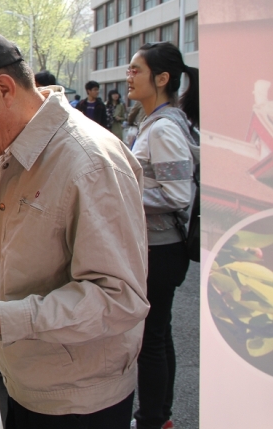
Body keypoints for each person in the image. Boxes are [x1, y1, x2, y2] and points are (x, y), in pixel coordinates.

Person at [0, 28, 149, 429]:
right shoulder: (11, 146)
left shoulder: (90, 163)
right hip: (26, 380)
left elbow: (119, 298)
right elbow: (1, 235)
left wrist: (1, 317)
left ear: (4, 88)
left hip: (77, 401)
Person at [127, 42, 199, 429]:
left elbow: (177, 195)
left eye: (136, 70)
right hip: (158, 248)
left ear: (162, 78)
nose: (128, 76)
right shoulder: (156, 123)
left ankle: (152, 419)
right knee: (158, 333)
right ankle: (160, 417)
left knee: (150, 338)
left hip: (163, 249)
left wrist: (122, 192)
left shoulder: (165, 128)